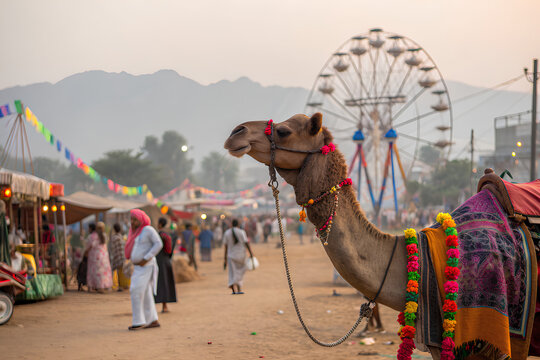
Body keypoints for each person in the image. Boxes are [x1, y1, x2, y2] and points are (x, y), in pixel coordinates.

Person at [125, 209, 163, 330]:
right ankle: (153, 320)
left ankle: (138, 321)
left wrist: (146, 258)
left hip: (146, 266)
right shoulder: (136, 233)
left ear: (141, 220)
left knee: (135, 290)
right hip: (138, 267)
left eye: (135, 219)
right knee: (146, 293)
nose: (132, 222)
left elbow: (158, 244)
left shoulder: (148, 230)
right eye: (131, 219)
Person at [223, 219, 254, 295]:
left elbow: (226, 246)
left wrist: (225, 258)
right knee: (240, 271)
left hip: (231, 256)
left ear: (231, 224)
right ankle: (239, 289)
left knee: (232, 272)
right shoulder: (241, 232)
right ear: (238, 224)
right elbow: (246, 243)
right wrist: (251, 253)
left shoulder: (227, 233)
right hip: (241, 255)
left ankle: (233, 290)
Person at [154, 217, 177, 313]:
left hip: (159, 261)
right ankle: (164, 306)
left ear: (159, 224)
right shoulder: (167, 235)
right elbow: (169, 250)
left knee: (160, 283)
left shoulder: (158, 235)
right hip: (166, 260)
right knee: (165, 283)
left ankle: (163, 306)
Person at [84, 222, 113, 293]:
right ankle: (102, 286)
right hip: (104, 257)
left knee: (93, 271)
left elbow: (88, 246)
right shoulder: (104, 236)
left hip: (93, 257)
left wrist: (85, 252)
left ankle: (91, 287)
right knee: (103, 272)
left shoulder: (92, 236)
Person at [109, 223, 125, 291]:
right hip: (121, 255)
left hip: (115, 256)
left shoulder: (114, 237)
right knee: (120, 271)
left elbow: (111, 248)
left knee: (112, 271)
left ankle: (110, 285)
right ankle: (120, 286)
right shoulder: (121, 237)